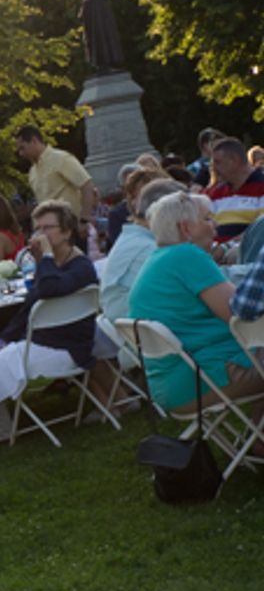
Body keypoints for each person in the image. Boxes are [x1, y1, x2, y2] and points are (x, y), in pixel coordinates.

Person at [0, 202, 104, 450]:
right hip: (39, 343)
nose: (41, 235)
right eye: (38, 229)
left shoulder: (80, 266)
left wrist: (44, 257)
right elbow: (26, 311)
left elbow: (48, 290)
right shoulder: (50, 265)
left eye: (49, 228)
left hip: (68, 349)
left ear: (67, 232)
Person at [129, 190, 260, 413]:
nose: (214, 225)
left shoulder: (158, 259)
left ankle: (258, 436)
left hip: (174, 382)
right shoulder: (187, 256)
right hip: (203, 379)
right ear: (186, 229)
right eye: (207, 219)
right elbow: (240, 316)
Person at [100, 175, 181, 322]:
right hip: (153, 335)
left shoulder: (134, 241)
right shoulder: (150, 250)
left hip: (137, 333)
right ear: (165, 213)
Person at [15, 125, 97, 236]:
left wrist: (85, 219)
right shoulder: (32, 172)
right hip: (49, 232)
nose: (21, 153)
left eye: (22, 148)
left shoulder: (61, 159)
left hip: (71, 227)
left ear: (34, 141)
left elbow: (87, 185)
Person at [205, 137, 264, 242]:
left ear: (234, 160)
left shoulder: (261, 187)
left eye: (217, 162)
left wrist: (227, 247)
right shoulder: (215, 193)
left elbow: (260, 231)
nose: (213, 168)